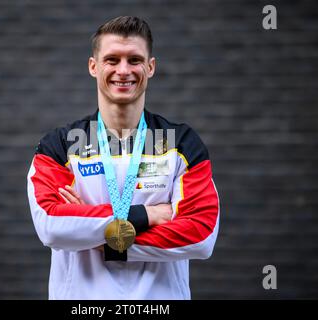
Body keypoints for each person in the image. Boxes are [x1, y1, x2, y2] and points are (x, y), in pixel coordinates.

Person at [27, 16, 220, 300]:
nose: (123, 70)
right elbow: (52, 227)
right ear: (93, 66)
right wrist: (149, 215)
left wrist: (94, 238)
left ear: (150, 67)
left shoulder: (181, 143)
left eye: (134, 60)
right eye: (112, 59)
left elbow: (201, 235)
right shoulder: (60, 146)